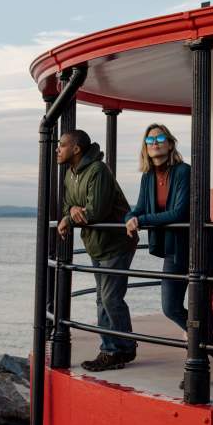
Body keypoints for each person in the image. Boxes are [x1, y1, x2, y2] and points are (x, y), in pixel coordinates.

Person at [124, 123, 213, 383]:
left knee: (201, 309)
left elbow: (179, 213)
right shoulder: (147, 177)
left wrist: (143, 220)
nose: (155, 143)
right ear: (145, 148)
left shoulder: (184, 172)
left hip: (198, 248)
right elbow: (137, 208)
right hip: (173, 250)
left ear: (170, 144)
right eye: (150, 140)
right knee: (170, 307)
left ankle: (197, 362)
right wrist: (130, 217)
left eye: (160, 138)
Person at [57, 129, 138, 371]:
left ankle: (116, 350)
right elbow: (67, 205)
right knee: (102, 300)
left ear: (76, 148)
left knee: (109, 298)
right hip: (96, 244)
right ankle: (119, 348)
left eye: (62, 145)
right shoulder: (69, 174)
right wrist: (71, 212)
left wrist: (70, 219)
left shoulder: (98, 171)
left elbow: (97, 210)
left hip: (116, 243)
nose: (57, 149)